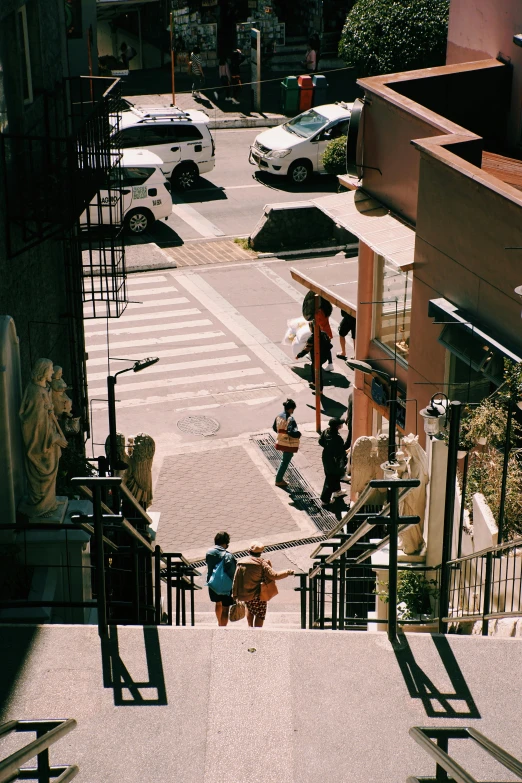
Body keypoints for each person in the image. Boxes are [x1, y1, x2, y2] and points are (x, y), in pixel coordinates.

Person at [232, 541, 294, 628]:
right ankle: (257, 632)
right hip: (259, 594)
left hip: (246, 594)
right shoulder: (262, 563)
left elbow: (236, 580)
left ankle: (250, 627)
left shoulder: (241, 563)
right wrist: (287, 572)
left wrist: (234, 595)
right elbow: (274, 575)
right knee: (260, 614)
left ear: (248, 552)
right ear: (261, 553)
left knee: (250, 608)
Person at [206, 531, 237, 627]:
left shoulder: (209, 552)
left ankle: (219, 622)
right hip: (225, 586)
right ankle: (222, 627)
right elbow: (233, 573)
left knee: (217, 603)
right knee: (225, 608)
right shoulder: (228, 556)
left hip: (212, 583)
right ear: (226, 543)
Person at [319, 418, 348, 508]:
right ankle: (325, 500)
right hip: (334, 461)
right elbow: (340, 452)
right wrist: (346, 452)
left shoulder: (325, 432)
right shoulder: (337, 438)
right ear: (337, 426)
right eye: (340, 424)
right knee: (331, 479)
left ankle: (337, 491)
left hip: (326, 457)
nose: (342, 425)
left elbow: (320, 441)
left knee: (331, 476)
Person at [272, 398, 301, 488]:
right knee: (285, 462)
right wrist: (298, 434)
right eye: (293, 409)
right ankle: (279, 480)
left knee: (285, 459)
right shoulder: (290, 419)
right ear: (291, 409)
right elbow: (292, 432)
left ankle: (279, 477)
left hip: (280, 441)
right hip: (288, 443)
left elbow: (274, 428)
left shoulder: (278, 416)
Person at [296, 323, 333, 391]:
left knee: (317, 373)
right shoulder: (324, 334)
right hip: (325, 355)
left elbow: (307, 349)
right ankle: (316, 385)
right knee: (315, 370)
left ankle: (319, 389)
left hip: (317, 357)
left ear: (312, 328)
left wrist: (299, 355)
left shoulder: (312, 338)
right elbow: (329, 342)